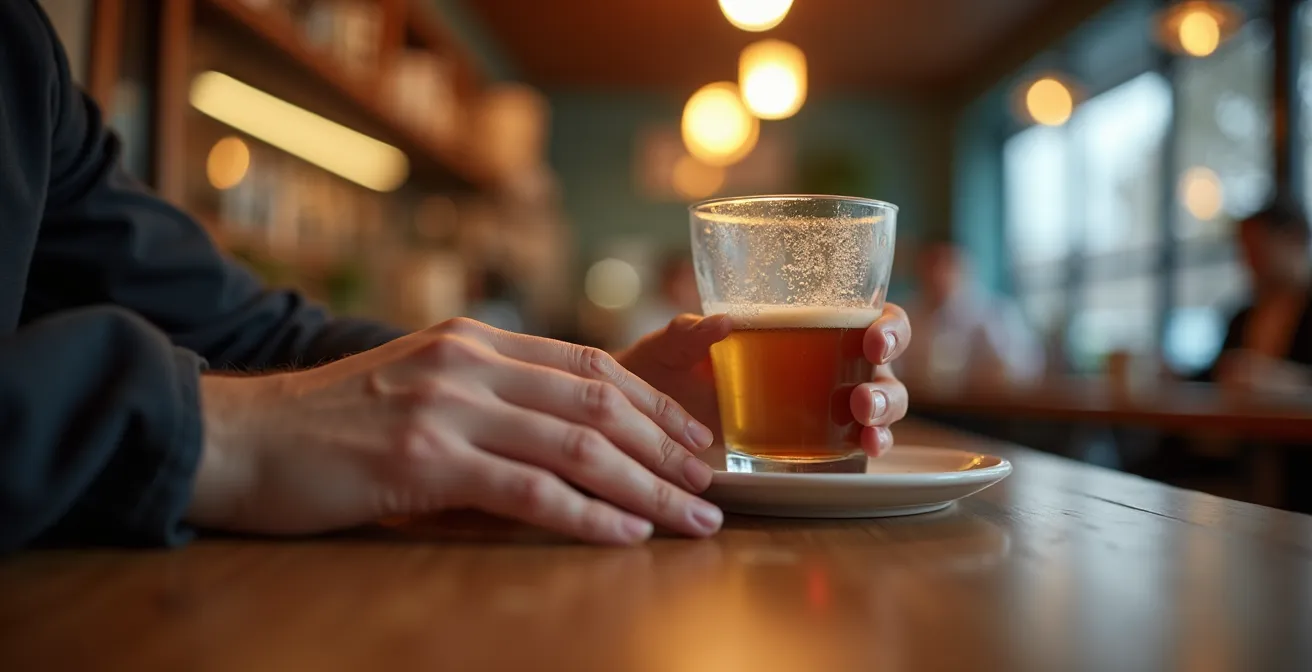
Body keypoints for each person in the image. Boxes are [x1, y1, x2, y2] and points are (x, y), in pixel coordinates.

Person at [0, 0, 911, 552]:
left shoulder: (22, 57)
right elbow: (263, 381)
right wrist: (219, 432)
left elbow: (257, 336)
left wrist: (591, 397)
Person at [896, 243, 1042, 388]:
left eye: (948, 265)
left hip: (984, 406)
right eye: (932, 266)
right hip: (919, 405)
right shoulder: (904, 315)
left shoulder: (997, 314)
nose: (939, 274)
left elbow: (1023, 368)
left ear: (966, 269)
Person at [1210, 200, 1312, 392]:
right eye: (1245, 250)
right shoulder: (1241, 317)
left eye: (1258, 249)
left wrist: (1291, 381)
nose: (1249, 262)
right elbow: (1212, 378)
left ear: (1295, 239)